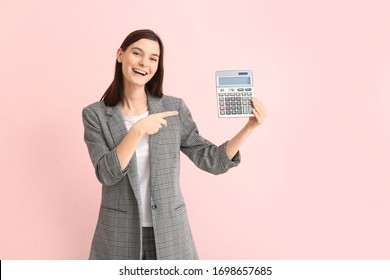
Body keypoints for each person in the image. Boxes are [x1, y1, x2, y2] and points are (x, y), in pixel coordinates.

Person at [82, 29, 267, 260]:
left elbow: (210, 160)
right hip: (119, 233)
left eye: (153, 58)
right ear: (121, 55)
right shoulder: (95, 114)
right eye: (137, 53)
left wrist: (249, 127)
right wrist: (137, 130)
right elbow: (106, 174)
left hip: (170, 232)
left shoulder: (174, 108)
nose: (144, 63)